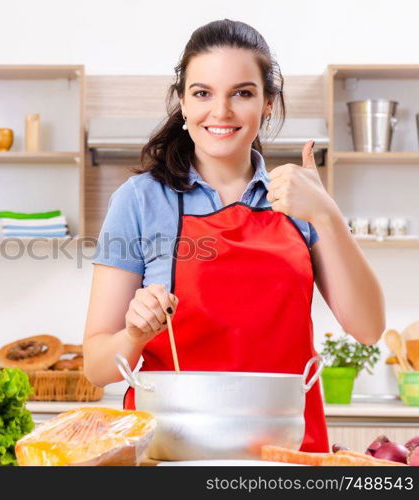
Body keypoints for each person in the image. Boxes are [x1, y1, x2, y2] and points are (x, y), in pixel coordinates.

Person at [82, 19, 385, 453]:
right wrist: (133, 334)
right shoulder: (140, 201)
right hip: (173, 456)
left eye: (242, 93)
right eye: (202, 93)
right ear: (182, 103)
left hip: (287, 455)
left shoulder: (302, 199)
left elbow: (369, 328)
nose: (220, 112)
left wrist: (327, 214)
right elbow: (96, 367)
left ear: (267, 104)